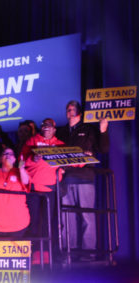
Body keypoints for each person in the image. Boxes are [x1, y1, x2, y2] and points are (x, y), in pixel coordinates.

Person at [56, 100, 109, 260]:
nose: (69, 111)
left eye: (72, 109)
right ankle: (69, 252)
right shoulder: (61, 131)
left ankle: (88, 253)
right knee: (67, 217)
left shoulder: (89, 129)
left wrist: (103, 130)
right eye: (67, 109)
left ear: (79, 111)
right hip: (65, 179)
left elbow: (103, 149)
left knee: (87, 216)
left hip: (85, 178)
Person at [20, 118, 64, 261]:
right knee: (33, 222)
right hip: (34, 188)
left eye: (49, 126)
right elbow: (21, 161)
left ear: (54, 129)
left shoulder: (60, 145)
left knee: (48, 223)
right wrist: (34, 158)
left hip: (50, 189)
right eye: (44, 126)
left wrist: (83, 158)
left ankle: (46, 253)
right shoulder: (32, 142)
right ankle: (32, 253)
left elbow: (73, 161)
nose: (46, 128)